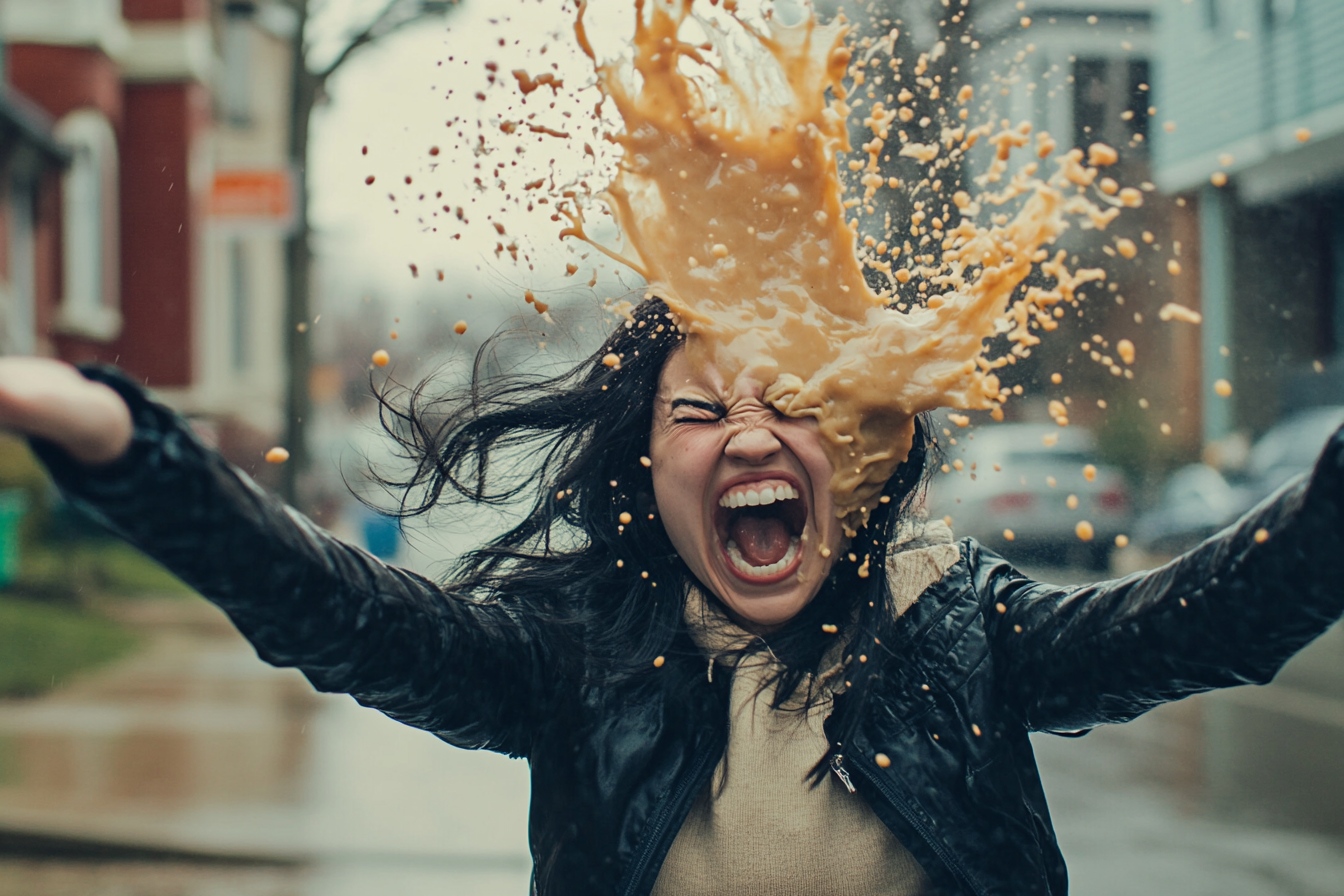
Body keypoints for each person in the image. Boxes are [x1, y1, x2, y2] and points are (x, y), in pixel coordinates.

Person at [1, 297, 1342, 896]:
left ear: (864, 457)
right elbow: (340, 612)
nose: (753, 438)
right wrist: (128, 448)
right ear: (650, 466)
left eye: (797, 407)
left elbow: (1214, 617)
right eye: (701, 411)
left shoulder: (964, 630)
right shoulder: (573, 657)